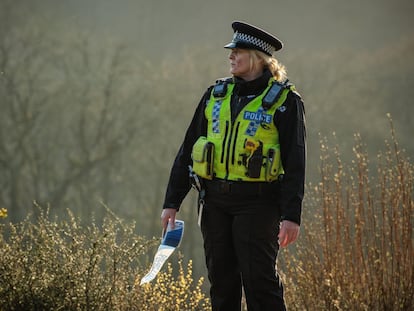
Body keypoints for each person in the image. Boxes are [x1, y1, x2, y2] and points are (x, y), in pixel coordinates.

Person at [161, 21, 306, 311]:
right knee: (222, 283)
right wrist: (172, 202)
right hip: (214, 202)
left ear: (256, 57)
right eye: (231, 51)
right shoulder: (215, 95)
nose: (230, 56)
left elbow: (296, 162)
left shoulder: (285, 102)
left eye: (237, 51)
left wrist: (292, 216)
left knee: (260, 282)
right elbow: (188, 150)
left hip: (259, 204)